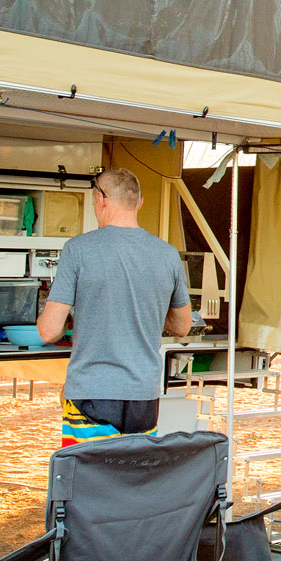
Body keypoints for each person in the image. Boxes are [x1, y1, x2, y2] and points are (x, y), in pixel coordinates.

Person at [35, 169, 193, 445]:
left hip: (91, 394)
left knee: (88, 480)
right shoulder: (167, 255)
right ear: (140, 202)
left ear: (100, 199)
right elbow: (183, 326)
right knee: (131, 480)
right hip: (144, 395)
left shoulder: (78, 249)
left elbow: (49, 331)